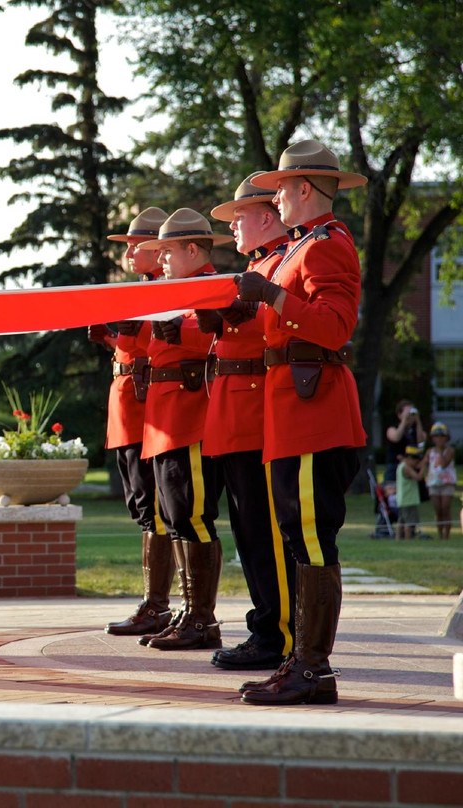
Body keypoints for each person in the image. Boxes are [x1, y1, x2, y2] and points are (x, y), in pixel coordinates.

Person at [235, 139, 368, 706]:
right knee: (297, 536)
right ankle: (300, 661)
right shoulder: (303, 245)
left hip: (316, 413)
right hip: (294, 412)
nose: (276, 199)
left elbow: (335, 327)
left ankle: (313, 669)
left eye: (282, 189)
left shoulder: (327, 245)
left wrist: (272, 295)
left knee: (311, 538)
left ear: (305, 189)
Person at [199, 174, 296, 672]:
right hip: (234, 413)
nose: (234, 227)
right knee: (248, 531)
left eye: (240, 217)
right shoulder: (260, 265)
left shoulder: (283, 261)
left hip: (258, 413)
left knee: (265, 533)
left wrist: (236, 314)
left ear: (266, 217)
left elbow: (282, 325)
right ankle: (265, 626)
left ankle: (277, 634)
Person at [134, 209, 230, 651]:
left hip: (191, 416)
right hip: (167, 416)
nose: (161, 260)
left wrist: (178, 328)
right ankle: (189, 611)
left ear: (193, 249)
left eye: (167, 251)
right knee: (176, 518)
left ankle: (202, 619)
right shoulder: (177, 290)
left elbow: (220, 333)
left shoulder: (210, 287)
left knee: (192, 516)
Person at [88, 207, 173, 637]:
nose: (129, 253)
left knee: (154, 508)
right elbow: (133, 350)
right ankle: (153, 603)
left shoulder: (163, 291)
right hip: (128, 408)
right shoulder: (142, 290)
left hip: (145, 412)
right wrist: (109, 337)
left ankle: (157, 605)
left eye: (136, 245)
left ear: (159, 249)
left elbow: (155, 351)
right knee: (144, 508)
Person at [426, 422, 456, 540]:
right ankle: (440, 534)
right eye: (436, 436)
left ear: (446, 438)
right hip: (433, 483)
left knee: (445, 508)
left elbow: (443, 465)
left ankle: (446, 535)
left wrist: (439, 451)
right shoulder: (429, 452)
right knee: (438, 509)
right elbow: (423, 464)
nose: (439, 439)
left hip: (447, 483)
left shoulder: (450, 451)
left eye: (442, 436)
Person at [384, 399, 426, 484]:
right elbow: (396, 437)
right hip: (395, 466)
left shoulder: (417, 429)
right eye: (407, 412)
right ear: (399, 415)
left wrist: (418, 420)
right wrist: (404, 421)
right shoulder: (392, 428)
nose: (410, 416)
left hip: (414, 465)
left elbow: (421, 441)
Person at [395, 445, 426, 540]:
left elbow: (415, 467)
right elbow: (418, 477)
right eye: (416, 460)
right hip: (409, 500)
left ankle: (398, 539)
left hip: (402, 499)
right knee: (409, 522)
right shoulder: (406, 468)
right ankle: (407, 539)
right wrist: (424, 467)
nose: (417, 462)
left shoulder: (401, 466)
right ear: (409, 458)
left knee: (401, 521)